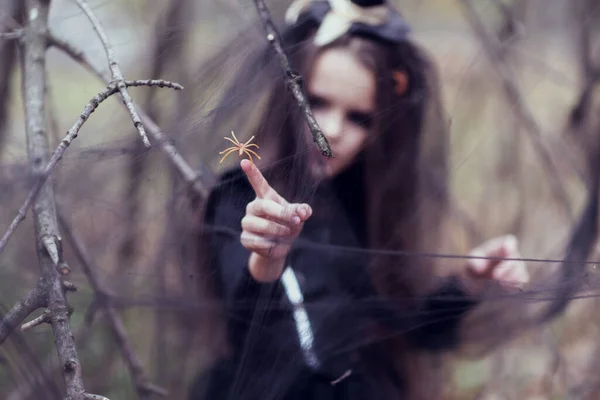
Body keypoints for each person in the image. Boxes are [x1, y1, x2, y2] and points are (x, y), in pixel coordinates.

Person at [190, 0, 530, 399]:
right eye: (316, 102)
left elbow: (399, 327)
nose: (331, 130)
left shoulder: (362, 202)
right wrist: (267, 257)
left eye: (360, 118)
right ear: (289, 94)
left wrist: (471, 281)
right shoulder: (239, 198)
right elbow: (251, 335)